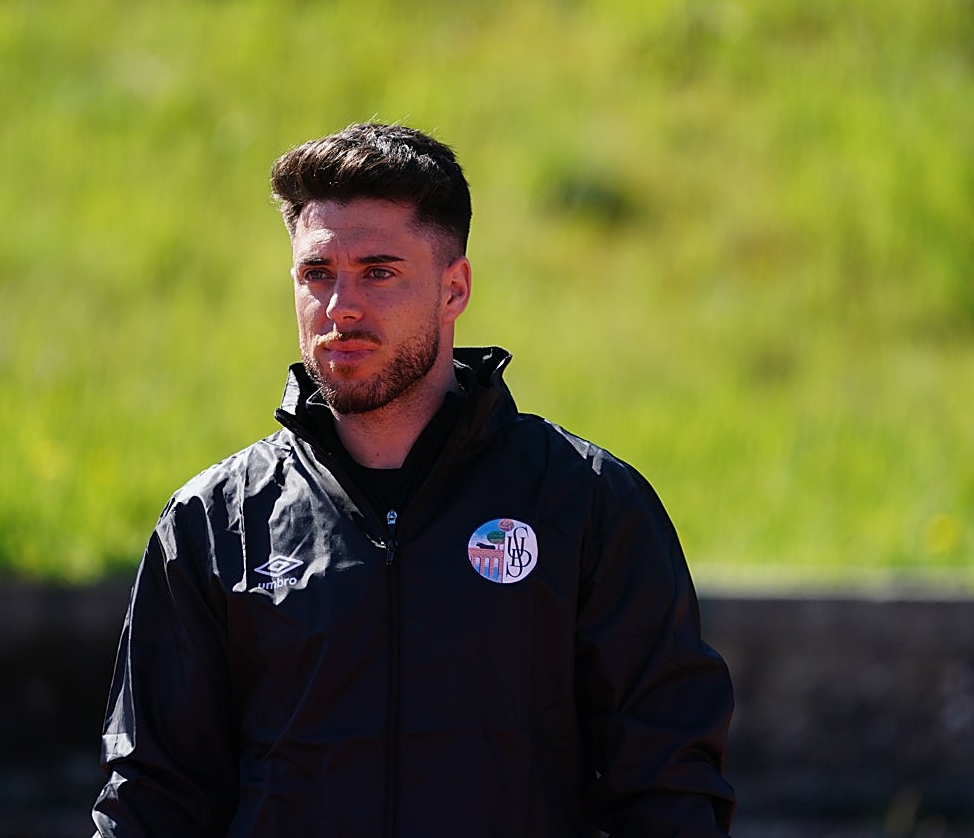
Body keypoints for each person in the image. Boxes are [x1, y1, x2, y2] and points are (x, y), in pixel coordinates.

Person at [92, 123, 736, 837]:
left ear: (453, 288)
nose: (340, 308)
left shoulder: (584, 505)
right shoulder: (214, 521)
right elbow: (153, 797)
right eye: (317, 274)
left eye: (378, 271)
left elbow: (667, 788)